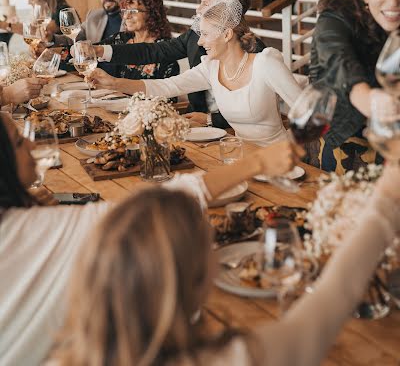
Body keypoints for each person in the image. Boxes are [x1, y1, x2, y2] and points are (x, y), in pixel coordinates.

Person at [0, 113, 298, 366]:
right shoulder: (32, 231)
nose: (31, 143)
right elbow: (156, 209)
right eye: (17, 141)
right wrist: (255, 163)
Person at [56, 161, 400, 366]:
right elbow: (335, 295)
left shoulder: (61, 357)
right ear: (195, 275)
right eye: (209, 242)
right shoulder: (231, 359)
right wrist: (385, 200)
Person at [90, 0, 301, 146]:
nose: (200, 41)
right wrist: (114, 83)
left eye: (206, 34)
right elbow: (166, 86)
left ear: (227, 34)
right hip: (241, 156)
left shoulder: (265, 63)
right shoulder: (211, 67)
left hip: (280, 159)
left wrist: (294, 150)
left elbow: (309, 112)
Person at [93, 0, 265, 128]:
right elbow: (153, 52)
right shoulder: (195, 37)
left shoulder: (257, 54)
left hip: (234, 133)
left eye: (205, 3)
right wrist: (101, 51)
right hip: (194, 123)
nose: (198, 9)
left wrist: (211, 120)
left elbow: (258, 111)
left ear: (227, 8)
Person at [309, 0, 400, 172]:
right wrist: (368, 99)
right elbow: (338, 61)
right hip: (344, 141)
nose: (393, 1)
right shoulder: (336, 16)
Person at [101, 0, 179, 82]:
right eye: (125, 11)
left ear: (151, 14)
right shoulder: (121, 39)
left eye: (133, 11)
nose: (126, 16)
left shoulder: (165, 49)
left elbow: (169, 93)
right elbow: (93, 50)